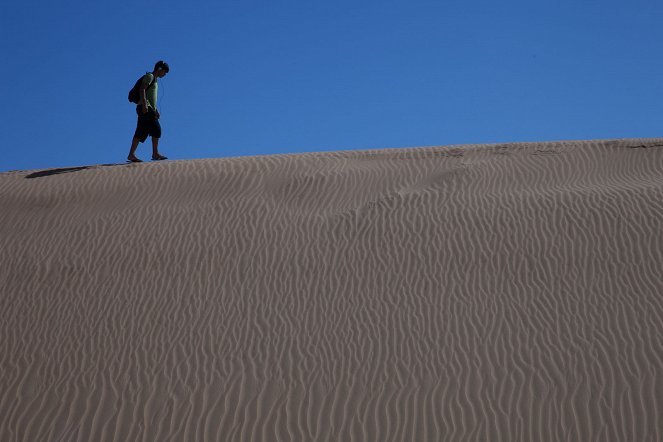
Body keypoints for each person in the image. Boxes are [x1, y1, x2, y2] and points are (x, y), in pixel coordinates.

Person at [127, 61, 170, 162]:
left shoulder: (154, 80)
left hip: (147, 108)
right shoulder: (150, 76)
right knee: (156, 129)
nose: (165, 74)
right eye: (164, 71)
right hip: (145, 107)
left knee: (141, 131)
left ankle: (131, 154)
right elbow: (142, 89)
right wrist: (145, 105)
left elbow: (151, 97)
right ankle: (155, 154)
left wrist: (155, 110)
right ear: (159, 69)